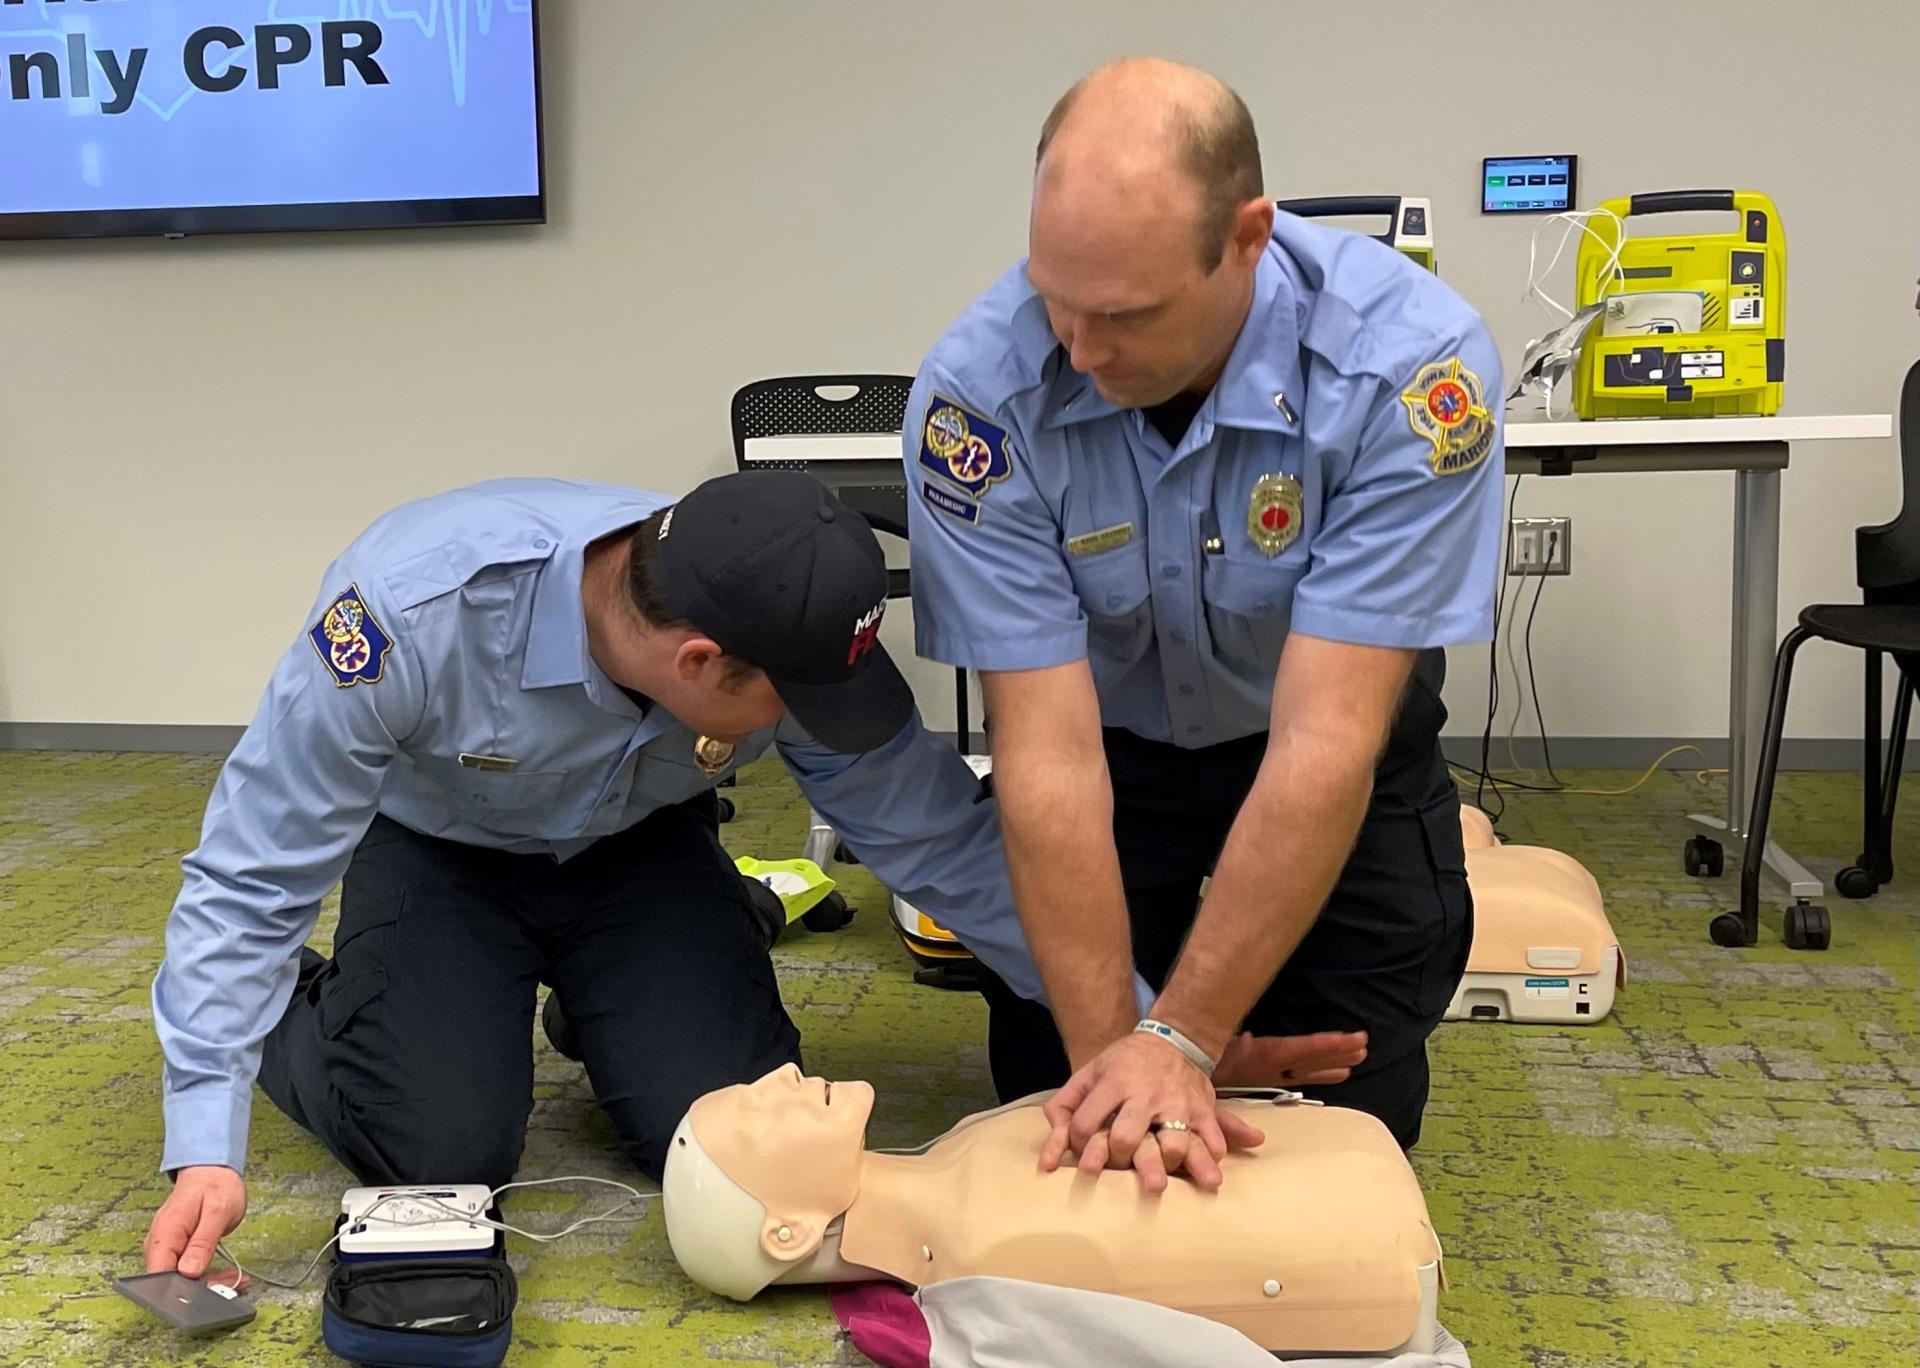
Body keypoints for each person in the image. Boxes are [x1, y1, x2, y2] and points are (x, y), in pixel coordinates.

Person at [138, 471, 1046, 1281]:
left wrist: (1111, 1025)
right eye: (799, 704)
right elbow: (252, 876)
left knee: (726, 1146)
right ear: (698, 664)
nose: (821, 718)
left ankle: (607, 994)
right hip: (442, 849)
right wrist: (208, 1143)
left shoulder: (781, 614)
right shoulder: (408, 615)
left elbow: (940, 841)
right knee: (438, 1151)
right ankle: (303, 1005)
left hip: (641, 843)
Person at [901, 58, 1505, 1189]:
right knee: (1069, 1123)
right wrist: (1115, 1058)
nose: (1079, 351)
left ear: (1247, 239)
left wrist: (1180, 1036)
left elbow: (1325, 741)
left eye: (1125, 314)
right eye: (1055, 297)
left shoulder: (1408, 371)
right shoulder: (978, 397)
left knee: (1339, 1122)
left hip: (1323, 755)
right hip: (1109, 761)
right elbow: (1047, 755)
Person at [660, 1064, 1457, 1363]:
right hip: (1361, 1236)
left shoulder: (963, 1149)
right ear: (788, 1233)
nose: (782, 1074)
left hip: (1344, 1171)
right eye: (759, 1112)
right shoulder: (982, 1252)